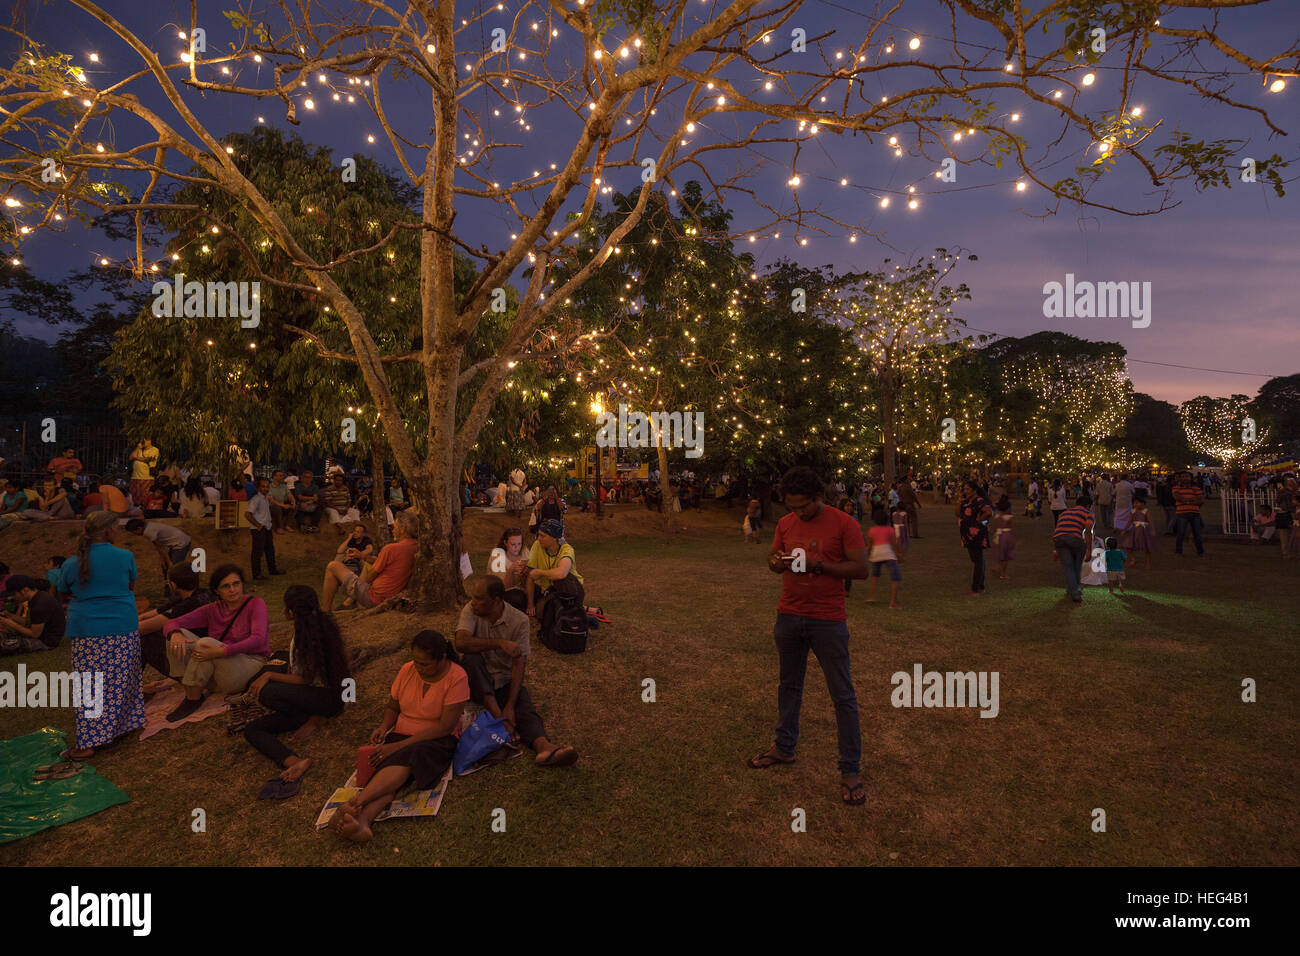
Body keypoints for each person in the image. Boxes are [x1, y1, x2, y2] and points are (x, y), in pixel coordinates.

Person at [749, 466, 867, 807]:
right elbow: (773, 555)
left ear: (819, 497)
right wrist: (775, 562)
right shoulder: (786, 523)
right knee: (789, 686)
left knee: (842, 694)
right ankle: (784, 748)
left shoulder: (844, 523)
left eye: (804, 506)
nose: (798, 513)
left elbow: (860, 569)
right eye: (792, 507)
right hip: (788, 614)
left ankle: (850, 769)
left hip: (827, 620)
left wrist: (819, 566)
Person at [331, 629, 469, 843]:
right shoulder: (407, 670)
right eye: (415, 662)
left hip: (436, 741)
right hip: (401, 736)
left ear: (442, 658)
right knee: (393, 777)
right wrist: (384, 728)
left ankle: (357, 802)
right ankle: (364, 821)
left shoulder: (457, 676)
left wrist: (396, 746)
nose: (418, 668)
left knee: (408, 755)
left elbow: (445, 727)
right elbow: (393, 706)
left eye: (424, 664)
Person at [455, 576, 579, 767]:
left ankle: (544, 747)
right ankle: (499, 718)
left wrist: (510, 705)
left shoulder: (519, 621)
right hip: (477, 681)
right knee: (471, 659)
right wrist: (499, 643)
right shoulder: (471, 610)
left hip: (502, 680)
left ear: (496, 600)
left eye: (479, 598)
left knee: (522, 702)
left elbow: (519, 665)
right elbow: (461, 643)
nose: (473, 602)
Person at [54, 511, 146, 759]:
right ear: (108, 531)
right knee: (121, 681)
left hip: (87, 629)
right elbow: (130, 587)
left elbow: (62, 594)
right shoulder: (125, 556)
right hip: (122, 626)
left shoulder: (72, 564)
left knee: (90, 686)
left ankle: (89, 740)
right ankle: (118, 728)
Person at [243, 585, 351, 786]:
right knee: (252, 730)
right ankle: (294, 762)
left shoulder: (308, 637)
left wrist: (268, 676)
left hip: (324, 700)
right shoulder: (320, 624)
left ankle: (304, 716)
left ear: (291, 611)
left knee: (267, 690)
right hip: (324, 697)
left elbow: (304, 680)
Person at [161, 564, 270, 721]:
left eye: (236, 584)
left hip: (250, 666)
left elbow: (258, 640)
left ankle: (193, 699)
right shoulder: (212, 609)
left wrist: (220, 651)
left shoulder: (256, 604)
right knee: (178, 635)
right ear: (217, 591)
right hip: (221, 669)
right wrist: (175, 634)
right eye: (226, 586)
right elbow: (170, 623)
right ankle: (190, 689)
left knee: (205, 643)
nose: (232, 590)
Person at [322, 511, 418, 610]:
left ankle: (326, 611)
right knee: (369, 563)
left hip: (374, 597)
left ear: (402, 529)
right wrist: (361, 556)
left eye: (394, 527)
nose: (393, 530)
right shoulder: (416, 546)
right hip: (391, 596)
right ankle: (348, 603)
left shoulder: (391, 548)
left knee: (332, 566)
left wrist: (355, 579)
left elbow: (371, 575)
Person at [138, 564, 214, 677]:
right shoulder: (202, 594)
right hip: (206, 647)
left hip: (199, 658)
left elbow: (141, 629)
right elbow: (156, 612)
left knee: (143, 639)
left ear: (173, 585)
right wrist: (138, 618)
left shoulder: (186, 606)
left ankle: (129, 688)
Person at [523, 518, 584, 621]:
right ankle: (579, 611)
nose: (538, 539)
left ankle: (576, 609)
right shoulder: (537, 545)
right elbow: (530, 574)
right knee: (541, 613)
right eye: (538, 535)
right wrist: (530, 604)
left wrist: (540, 572)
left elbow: (561, 573)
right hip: (549, 591)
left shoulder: (567, 549)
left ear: (554, 538)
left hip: (571, 590)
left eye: (543, 536)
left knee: (562, 580)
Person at [0, 574, 65, 655]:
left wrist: (11, 624)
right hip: (38, 636)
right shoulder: (37, 597)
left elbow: (34, 634)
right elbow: (28, 623)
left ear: (24, 590)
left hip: (45, 642)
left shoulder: (40, 604)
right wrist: (10, 615)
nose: (11, 598)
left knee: (4, 645)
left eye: (14, 594)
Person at [1052, 495, 1096, 603]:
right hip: (1076, 539)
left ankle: (1071, 588)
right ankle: (1075, 592)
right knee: (1076, 566)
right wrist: (1089, 550)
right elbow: (1088, 531)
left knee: (1068, 566)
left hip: (1059, 539)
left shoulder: (1064, 513)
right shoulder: (1088, 514)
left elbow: (1059, 528)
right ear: (1088, 505)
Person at [956, 480, 993, 595]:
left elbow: (989, 512)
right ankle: (980, 586)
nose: (965, 491)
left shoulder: (979, 501)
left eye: (967, 489)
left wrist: (979, 520)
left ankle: (976, 588)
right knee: (977, 560)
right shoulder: (966, 501)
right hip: (968, 535)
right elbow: (957, 514)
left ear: (974, 490)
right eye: (964, 489)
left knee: (978, 561)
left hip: (976, 535)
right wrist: (959, 503)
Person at [124, 518, 192, 577]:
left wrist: (169, 562)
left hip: (181, 543)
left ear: (139, 528)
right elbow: (159, 548)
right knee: (166, 566)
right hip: (179, 542)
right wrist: (164, 560)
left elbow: (161, 548)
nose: (135, 534)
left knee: (174, 569)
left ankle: (181, 585)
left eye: (134, 532)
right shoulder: (148, 525)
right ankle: (169, 584)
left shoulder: (148, 532)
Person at [246, 478, 285, 580]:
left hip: (267, 527)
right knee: (257, 552)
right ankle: (257, 574)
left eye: (267, 486)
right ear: (258, 488)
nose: (265, 488)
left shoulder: (266, 497)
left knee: (270, 550)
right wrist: (258, 525)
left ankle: (272, 570)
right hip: (259, 529)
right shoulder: (256, 499)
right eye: (263, 486)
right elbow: (247, 514)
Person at [865, 510, 902, 608]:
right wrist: (898, 553)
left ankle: (872, 596)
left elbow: (870, 545)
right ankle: (892, 603)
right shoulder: (890, 529)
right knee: (895, 577)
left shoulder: (872, 530)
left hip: (876, 554)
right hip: (887, 553)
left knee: (875, 575)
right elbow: (895, 543)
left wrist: (868, 555)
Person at [491, 527, 529, 608]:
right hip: (501, 593)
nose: (517, 547)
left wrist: (526, 572)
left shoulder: (524, 551)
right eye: (513, 544)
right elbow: (502, 588)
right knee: (517, 598)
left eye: (519, 544)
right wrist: (511, 570)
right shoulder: (498, 556)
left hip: (520, 589)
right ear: (505, 542)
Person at [1171, 472, 1206, 558]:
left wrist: (1185, 501)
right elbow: (1177, 497)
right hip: (1182, 513)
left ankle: (1200, 552)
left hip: (1195, 513)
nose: (1185, 478)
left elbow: (1201, 500)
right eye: (1182, 477)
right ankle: (1179, 551)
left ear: (1191, 478)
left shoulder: (1196, 488)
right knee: (1181, 533)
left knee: (1197, 534)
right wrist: (1192, 501)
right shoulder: (1176, 488)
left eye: (1187, 477)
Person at [1124, 492, 1157, 568]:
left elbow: (1150, 521)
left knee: (1147, 546)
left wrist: (1152, 530)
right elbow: (1130, 521)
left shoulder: (1145, 511)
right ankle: (1133, 559)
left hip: (1144, 530)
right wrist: (1125, 529)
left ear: (1142, 503)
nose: (1135, 505)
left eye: (1137, 503)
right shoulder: (1133, 511)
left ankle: (1148, 562)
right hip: (1135, 530)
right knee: (1129, 545)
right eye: (1134, 503)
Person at [129, 438, 160, 506]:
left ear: (149, 441)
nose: (143, 442)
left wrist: (136, 458)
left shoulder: (154, 450)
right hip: (135, 477)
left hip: (146, 477)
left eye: (145, 440)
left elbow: (147, 459)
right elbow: (131, 457)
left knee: (145, 497)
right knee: (136, 497)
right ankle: (137, 511)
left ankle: (145, 511)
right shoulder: (140, 449)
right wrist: (137, 447)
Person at [993, 496, 1016, 579]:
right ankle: (1003, 574)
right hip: (1006, 536)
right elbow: (1011, 528)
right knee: (1005, 556)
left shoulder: (997, 515)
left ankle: (997, 566)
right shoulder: (1009, 517)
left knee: (999, 553)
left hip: (997, 535)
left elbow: (995, 526)